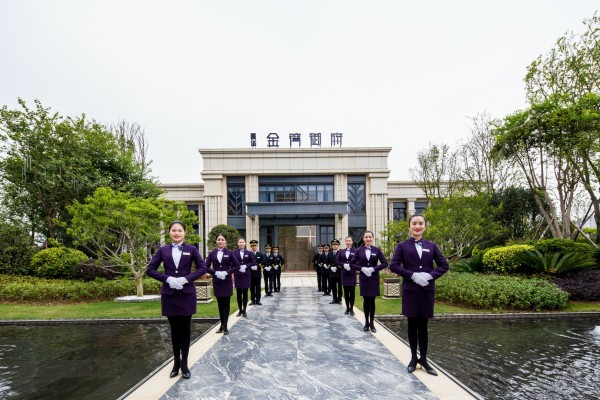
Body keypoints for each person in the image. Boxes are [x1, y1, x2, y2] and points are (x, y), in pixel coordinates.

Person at [146, 220, 207, 380]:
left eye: (180, 230)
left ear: (184, 232)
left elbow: (202, 268)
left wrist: (186, 279)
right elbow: (150, 270)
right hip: (170, 294)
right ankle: (176, 364)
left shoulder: (192, 249)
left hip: (186, 294)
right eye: (174, 230)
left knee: (185, 331)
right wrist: (168, 279)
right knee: (174, 331)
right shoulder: (163, 250)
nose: (177, 233)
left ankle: (185, 364)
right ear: (169, 232)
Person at [390, 214, 449, 376]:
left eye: (420, 223)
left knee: (423, 326)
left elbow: (444, 265)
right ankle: (413, 358)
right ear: (409, 226)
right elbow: (394, 265)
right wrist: (412, 275)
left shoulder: (432, 246)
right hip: (410, 290)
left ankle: (424, 359)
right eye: (414, 223)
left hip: (426, 291)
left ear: (425, 226)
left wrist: (430, 276)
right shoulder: (402, 246)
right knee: (412, 325)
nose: (417, 226)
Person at [351, 230, 388, 333]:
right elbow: (352, 264)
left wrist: (374, 269)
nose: (368, 239)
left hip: (373, 278)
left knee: (372, 301)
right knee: (366, 301)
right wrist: (362, 269)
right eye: (366, 237)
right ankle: (366, 323)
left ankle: (372, 323)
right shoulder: (359, 250)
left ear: (372, 238)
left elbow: (385, 263)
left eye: (370, 237)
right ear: (363, 238)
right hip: (364, 278)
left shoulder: (377, 250)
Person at [205, 233, 240, 335]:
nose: (220, 241)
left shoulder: (230, 253)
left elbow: (237, 266)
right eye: (219, 239)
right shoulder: (212, 253)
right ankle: (221, 325)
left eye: (222, 240)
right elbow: (206, 267)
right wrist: (215, 272)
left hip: (226, 281)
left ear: (225, 241)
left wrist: (227, 272)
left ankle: (225, 327)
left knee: (226, 304)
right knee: (220, 304)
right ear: (216, 241)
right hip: (217, 282)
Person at [233, 237, 256, 318]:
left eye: (243, 242)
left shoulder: (248, 252)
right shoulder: (234, 253)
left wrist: (246, 266)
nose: (241, 243)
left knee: (245, 293)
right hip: (238, 275)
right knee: (239, 293)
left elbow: (253, 262)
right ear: (237, 243)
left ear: (245, 243)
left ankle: (245, 310)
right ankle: (240, 310)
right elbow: (231, 263)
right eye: (240, 242)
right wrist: (238, 267)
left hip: (246, 275)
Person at [336, 236, 357, 315]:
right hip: (344, 274)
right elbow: (337, 261)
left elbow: (358, 261)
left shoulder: (355, 251)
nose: (348, 242)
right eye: (347, 241)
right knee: (346, 292)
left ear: (352, 242)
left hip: (352, 274)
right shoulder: (341, 251)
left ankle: (351, 309)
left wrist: (352, 266)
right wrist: (343, 265)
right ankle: (347, 308)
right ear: (345, 242)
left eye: (349, 241)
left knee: (352, 292)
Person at [248, 239, 264, 305]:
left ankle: (258, 300)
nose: (254, 247)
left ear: (257, 246)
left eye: (255, 246)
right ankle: (252, 300)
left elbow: (263, 262)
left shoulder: (260, 254)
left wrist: (257, 266)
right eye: (252, 246)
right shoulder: (249, 254)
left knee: (258, 287)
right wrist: (250, 266)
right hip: (251, 273)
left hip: (257, 273)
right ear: (251, 246)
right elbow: (247, 262)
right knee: (251, 288)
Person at [327, 239, 342, 304]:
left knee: (339, 287)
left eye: (336, 245)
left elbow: (342, 262)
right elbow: (327, 262)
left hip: (339, 272)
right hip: (332, 273)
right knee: (333, 287)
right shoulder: (329, 253)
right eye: (333, 245)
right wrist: (331, 267)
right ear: (332, 246)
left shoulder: (340, 253)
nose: (334, 246)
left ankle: (339, 299)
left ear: (338, 246)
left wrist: (337, 267)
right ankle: (334, 299)